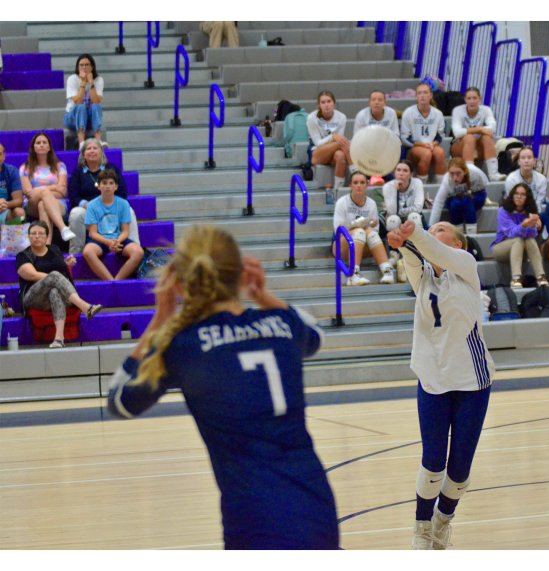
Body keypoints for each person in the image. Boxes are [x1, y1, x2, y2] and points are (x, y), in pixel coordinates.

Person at [106, 225, 339, 549]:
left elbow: (118, 402)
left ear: (182, 281)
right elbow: (315, 335)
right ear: (240, 273)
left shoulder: (183, 346)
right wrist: (262, 296)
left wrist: (160, 318)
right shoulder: (282, 325)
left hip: (254, 519)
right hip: (318, 508)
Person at [387, 219, 494, 550]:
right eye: (430, 231)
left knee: (460, 469)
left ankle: (442, 521)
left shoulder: (465, 266)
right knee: (433, 460)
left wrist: (413, 233)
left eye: (440, 230)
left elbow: (431, 248)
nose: (433, 234)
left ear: (456, 244)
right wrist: (401, 242)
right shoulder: (422, 277)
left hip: (471, 381)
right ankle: (421, 527)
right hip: (433, 378)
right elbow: (413, 255)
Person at [16, 221, 102, 348]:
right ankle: (85, 307)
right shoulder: (22, 256)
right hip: (33, 297)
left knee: (55, 292)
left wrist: (66, 264)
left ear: (46, 236)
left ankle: (59, 338)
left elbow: (60, 266)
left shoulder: (54, 249)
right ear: (29, 237)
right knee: (55, 275)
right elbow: (32, 275)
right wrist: (55, 277)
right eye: (33, 233)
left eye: (41, 233)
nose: (37, 236)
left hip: (59, 294)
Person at [67, 138, 139, 255]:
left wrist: (108, 205)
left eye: (95, 148)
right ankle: (76, 253)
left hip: (112, 208)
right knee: (75, 214)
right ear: (83, 154)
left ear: (101, 152)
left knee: (129, 211)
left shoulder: (112, 169)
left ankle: (133, 246)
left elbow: (122, 192)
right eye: (88, 149)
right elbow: (73, 196)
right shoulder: (78, 173)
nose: (92, 151)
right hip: (88, 209)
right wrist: (87, 205)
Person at [332, 171, 395, 286]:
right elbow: (339, 230)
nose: (359, 185)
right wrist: (357, 224)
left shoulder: (371, 203)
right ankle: (353, 274)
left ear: (367, 185)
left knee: (370, 233)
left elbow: (375, 230)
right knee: (360, 231)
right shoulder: (342, 202)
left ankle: (387, 270)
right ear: (350, 185)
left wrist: (367, 225)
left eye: (362, 182)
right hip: (342, 245)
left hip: (363, 244)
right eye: (355, 182)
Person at [82, 169, 144, 281]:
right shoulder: (92, 205)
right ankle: (110, 280)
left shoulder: (123, 204)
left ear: (116, 187)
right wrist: (108, 242)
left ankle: (118, 280)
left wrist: (116, 242)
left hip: (118, 239)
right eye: (104, 183)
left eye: (111, 183)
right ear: (98, 186)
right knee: (88, 251)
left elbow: (125, 231)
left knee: (138, 252)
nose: (107, 186)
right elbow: (93, 233)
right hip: (100, 240)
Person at [19, 132, 76, 244]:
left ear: (49, 147)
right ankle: (63, 228)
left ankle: (47, 245)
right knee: (43, 194)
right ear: (33, 147)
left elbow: (63, 192)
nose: (41, 145)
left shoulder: (60, 166)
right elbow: (28, 193)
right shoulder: (25, 168)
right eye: (38, 143)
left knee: (43, 205)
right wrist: (54, 187)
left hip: (58, 203)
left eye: (44, 142)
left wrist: (41, 192)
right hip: (31, 204)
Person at [491, 182, 547, 289]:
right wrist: (524, 225)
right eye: (516, 194)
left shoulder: (530, 212)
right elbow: (510, 233)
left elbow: (533, 234)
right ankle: (516, 278)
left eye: (522, 194)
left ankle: (541, 276)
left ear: (527, 197)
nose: (519, 197)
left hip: (522, 250)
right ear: (512, 195)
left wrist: (533, 225)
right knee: (518, 240)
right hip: (501, 248)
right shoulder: (503, 211)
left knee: (529, 239)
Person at [449, 87, 505, 182]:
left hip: (478, 148)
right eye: (469, 98)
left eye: (475, 98)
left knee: (487, 138)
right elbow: (457, 132)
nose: (472, 101)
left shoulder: (486, 110)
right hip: (459, 146)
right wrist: (480, 129)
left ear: (480, 99)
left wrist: (474, 131)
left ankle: (493, 174)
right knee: (469, 138)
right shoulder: (458, 110)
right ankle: (470, 173)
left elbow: (492, 128)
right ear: (465, 99)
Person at [308, 90, 355, 193]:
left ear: (334, 103)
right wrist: (332, 137)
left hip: (335, 151)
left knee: (341, 156)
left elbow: (340, 140)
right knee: (342, 142)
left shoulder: (341, 117)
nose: (326, 105)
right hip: (317, 153)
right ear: (319, 105)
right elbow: (318, 143)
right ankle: (354, 170)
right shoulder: (311, 118)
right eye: (323, 102)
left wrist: (336, 139)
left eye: (329, 101)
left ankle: (338, 191)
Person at [428, 157, 489, 235]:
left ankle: (472, 236)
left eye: (458, 173)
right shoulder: (447, 180)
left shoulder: (475, 173)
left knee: (467, 201)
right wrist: (431, 227)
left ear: (465, 171)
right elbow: (438, 203)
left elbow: (486, 186)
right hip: (456, 201)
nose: (455, 178)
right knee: (455, 203)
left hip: (476, 196)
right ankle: (458, 235)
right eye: (452, 173)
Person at [401, 82, 446, 182]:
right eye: (419, 93)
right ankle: (422, 186)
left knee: (440, 152)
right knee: (426, 154)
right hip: (412, 147)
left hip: (430, 145)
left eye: (425, 92)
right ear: (416, 96)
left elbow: (440, 136)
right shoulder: (408, 112)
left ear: (431, 95)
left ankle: (439, 186)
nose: (422, 95)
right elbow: (404, 139)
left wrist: (433, 144)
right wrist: (422, 145)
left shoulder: (438, 114)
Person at [64, 54, 105, 148]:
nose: (84, 67)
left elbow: (96, 101)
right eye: (81, 65)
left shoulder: (98, 79)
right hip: (72, 118)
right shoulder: (72, 79)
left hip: (90, 119)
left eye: (87, 65)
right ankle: (81, 142)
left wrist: (91, 83)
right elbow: (78, 101)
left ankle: (99, 140)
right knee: (81, 106)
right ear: (77, 67)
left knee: (96, 106)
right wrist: (83, 82)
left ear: (92, 67)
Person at [383, 160, 425, 231]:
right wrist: (394, 190)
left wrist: (399, 211)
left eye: (405, 171)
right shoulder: (388, 187)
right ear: (394, 173)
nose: (401, 174)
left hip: (412, 216)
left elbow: (418, 208)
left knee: (414, 217)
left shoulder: (417, 183)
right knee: (393, 220)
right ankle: (393, 242)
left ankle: (416, 241)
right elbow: (392, 212)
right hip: (396, 218)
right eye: (398, 170)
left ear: (411, 174)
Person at [504, 146, 547, 211]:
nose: (526, 161)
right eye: (523, 158)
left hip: (535, 212)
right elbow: (512, 202)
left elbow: (539, 202)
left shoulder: (541, 179)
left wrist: (533, 216)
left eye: (529, 158)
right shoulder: (511, 179)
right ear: (519, 162)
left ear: (534, 162)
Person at [0, 142, 25, 224]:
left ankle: (16, 237)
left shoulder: (11, 171)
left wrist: (5, 204)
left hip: (5, 210)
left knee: (20, 212)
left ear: (4, 156)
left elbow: (18, 200)